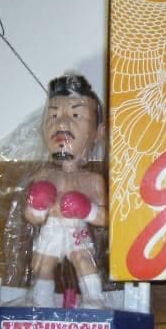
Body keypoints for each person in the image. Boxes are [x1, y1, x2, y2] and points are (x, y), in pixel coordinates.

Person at [24, 74, 107, 307]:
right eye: (53, 115)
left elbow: (107, 217)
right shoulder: (44, 176)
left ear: (99, 132)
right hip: (52, 228)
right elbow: (31, 217)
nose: (61, 123)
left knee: (85, 262)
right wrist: (37, 205)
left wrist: (88, 210)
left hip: (77, 229)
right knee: (41, 263)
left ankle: (94, 298)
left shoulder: (94, 181)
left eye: (76, 115)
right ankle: (40, 301)